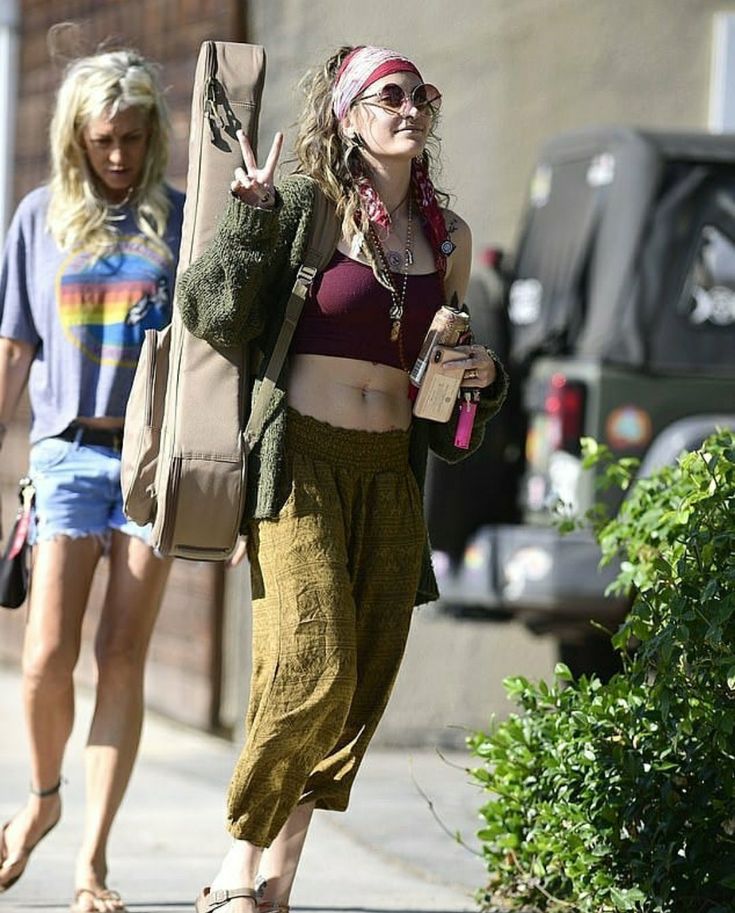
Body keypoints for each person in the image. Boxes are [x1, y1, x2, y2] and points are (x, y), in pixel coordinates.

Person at [176, 45, 508, 913]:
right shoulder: (302, 206)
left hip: (388, 476)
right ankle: (234, 866)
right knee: (310, 663)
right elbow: (209, 310)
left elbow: (442, 417)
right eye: (390, 95)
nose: (410, 108)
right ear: (349, 114)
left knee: (354, 689)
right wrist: (248, 219)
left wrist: (477, 377)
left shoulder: (447, 238)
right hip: (302, 462)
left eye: (421, 96)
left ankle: (276, 885)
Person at [0, 48, 184, 913]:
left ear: (154, 137)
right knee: (44, 659)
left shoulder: (181, 224)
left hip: (153, 462)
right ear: (77, 138)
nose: (120, 156)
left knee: (121, 656)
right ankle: (41, 800)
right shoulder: (39, 218)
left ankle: (92, 865)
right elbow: (14, 347)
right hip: (66, 453)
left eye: (134, 139)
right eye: (105, 139)